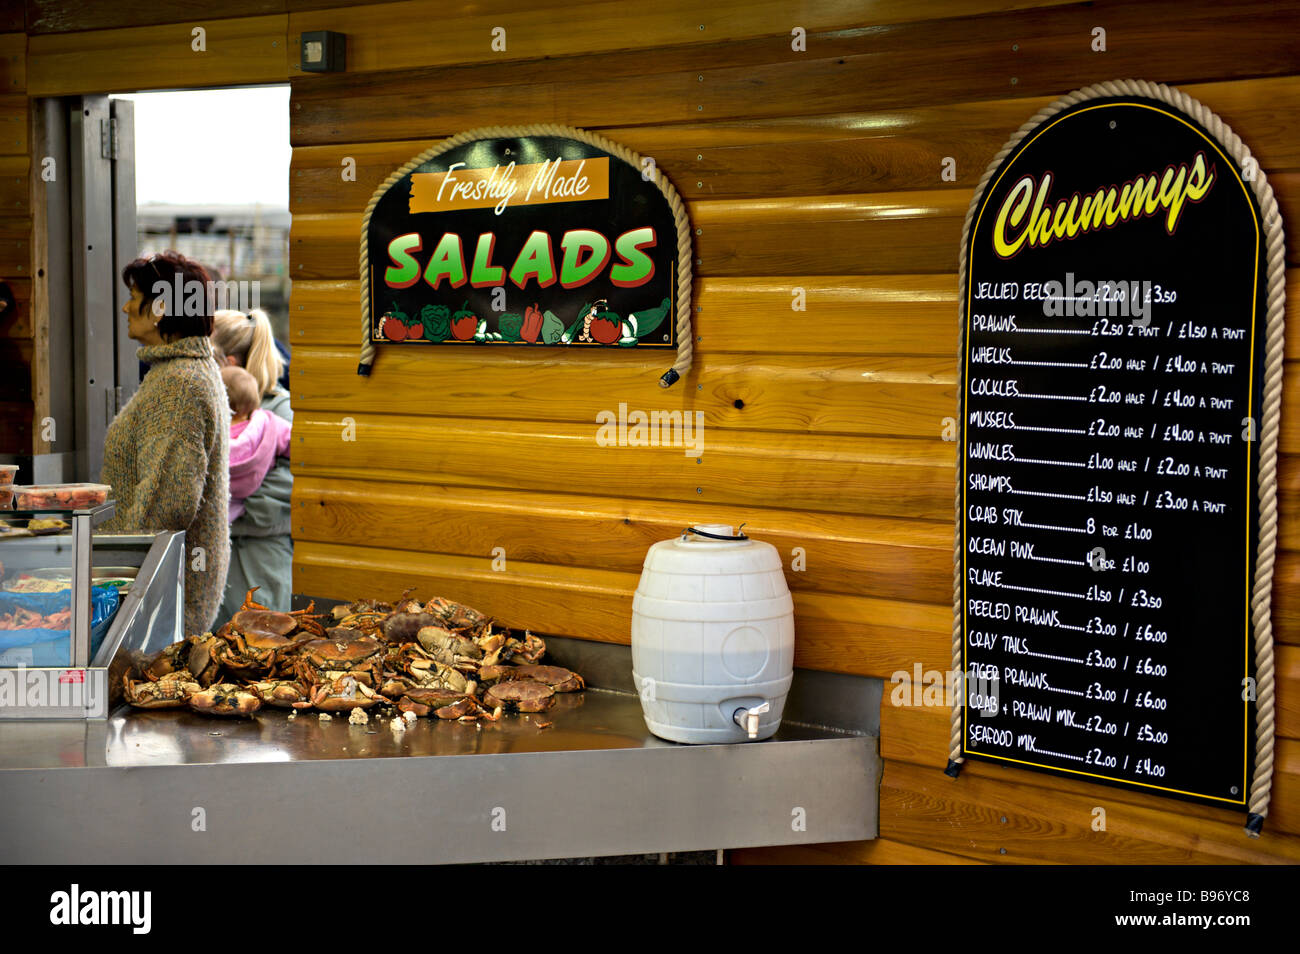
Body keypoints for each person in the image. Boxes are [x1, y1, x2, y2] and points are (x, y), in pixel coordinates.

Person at [101, 251, 230, 637]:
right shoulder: (187, 371)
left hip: (154, 603)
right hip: (163, 591)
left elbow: (166, 503)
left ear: (159, 308)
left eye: (133, 296)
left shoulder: (179, 384)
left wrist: (113, 581)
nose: (125, 306)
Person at [211, 308, 293, 619]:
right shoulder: (213, 407)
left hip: (257, 560)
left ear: (228, 362)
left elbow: (288, 483)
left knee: (261, 654)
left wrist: (226, 512)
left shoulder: (279, 409)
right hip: (215, 559)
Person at [222, 365, 291, 525]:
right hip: (253, 485)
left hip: (226, 492)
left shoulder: (216, 434)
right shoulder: (267, 423)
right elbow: (293, 440)